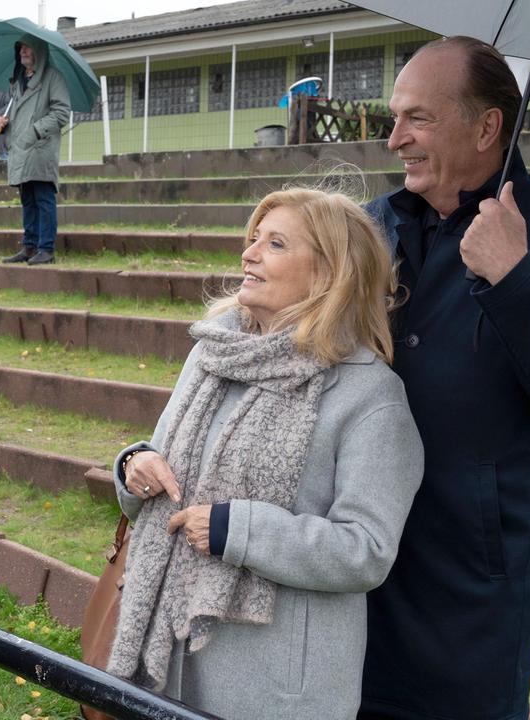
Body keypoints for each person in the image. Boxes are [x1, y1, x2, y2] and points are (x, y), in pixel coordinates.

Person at [359, 37, 530, 720]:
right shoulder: (372, 227)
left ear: (487, 128)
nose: (395, 140)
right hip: (356, 557)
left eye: (417, 119)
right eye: (394, 118)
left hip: (471, 592)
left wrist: (515, 277)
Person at [106, 188, 425, 719]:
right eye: (253, 239)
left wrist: (241, 531)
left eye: (274, 243)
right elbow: (162, 454)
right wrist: (134, 465)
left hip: (274, 688)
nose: (248, 254)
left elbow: (366, 549)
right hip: (169, 656)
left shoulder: (370, 397)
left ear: (329, 273)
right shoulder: (213, 353)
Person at [0, 37, 70, 266]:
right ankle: (29, 246)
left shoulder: (53, 78)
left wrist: (36, 131)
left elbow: (62, 113)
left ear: (38, 51)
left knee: (43, 198)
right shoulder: (17, 83)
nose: (23, 51)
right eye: (20, 48)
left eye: (27, 47)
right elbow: (19, 115)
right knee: (27, 199)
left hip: (40, 148)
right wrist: (4, 123)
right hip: (20, 149)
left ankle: (46, 249)